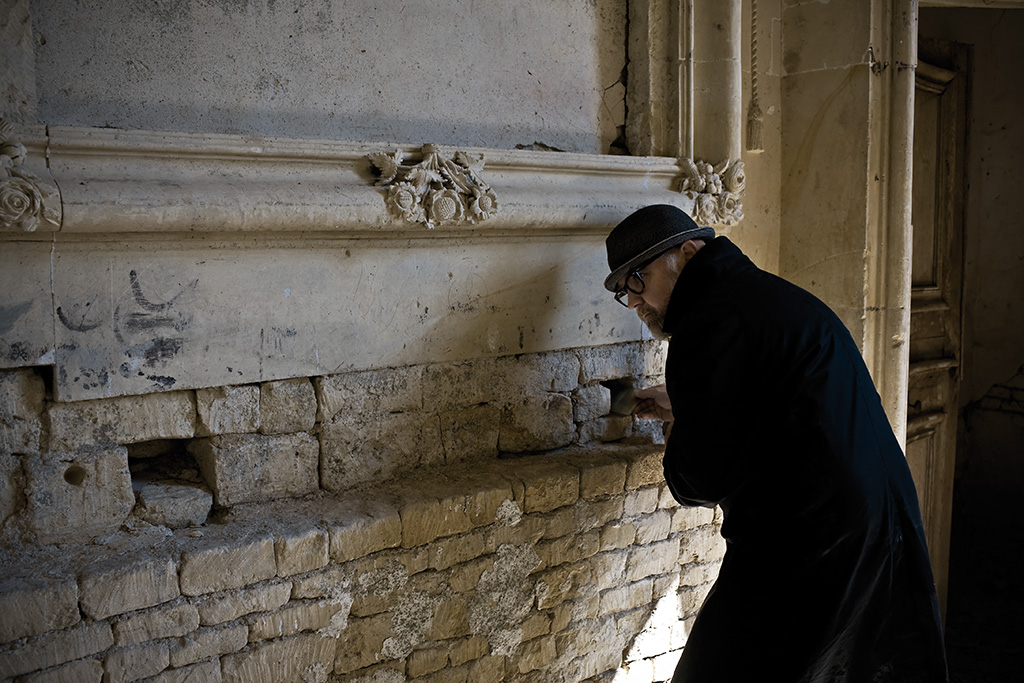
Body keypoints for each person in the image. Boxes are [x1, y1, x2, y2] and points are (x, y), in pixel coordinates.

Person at [604, 204, 949, 682]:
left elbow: (699, 478)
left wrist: (683, 422)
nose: (635, 300)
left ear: (687, 252)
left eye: (638, 279)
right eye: (624, 291)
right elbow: (771, 402)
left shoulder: (705, 323)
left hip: (811, 539)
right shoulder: (769, 295)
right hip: (875, 518)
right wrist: (690, 404)